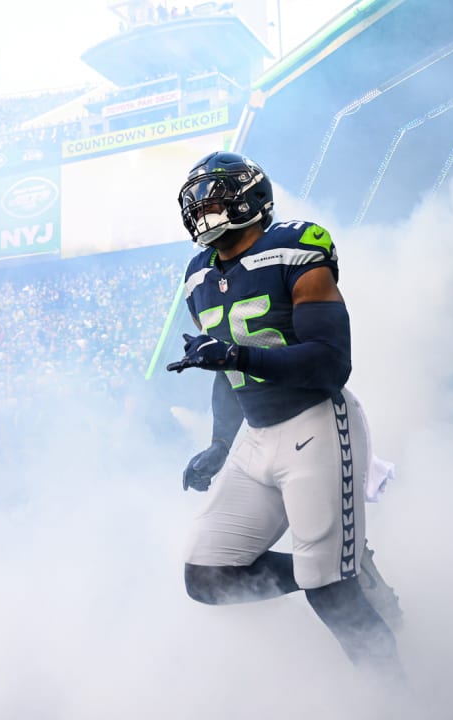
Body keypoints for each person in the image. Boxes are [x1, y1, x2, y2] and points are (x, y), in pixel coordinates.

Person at [166, 151, 403, 676]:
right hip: (257, 435)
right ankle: (345, 568)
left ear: (252, 197)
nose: (204, 210)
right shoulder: (197, 274)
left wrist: (235, 355)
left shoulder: (294, 247)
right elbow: (227, 373)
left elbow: (330, 363)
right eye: (197, 201)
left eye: (217, 197)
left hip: (316, 424)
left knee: (331, 598)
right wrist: (220, 443)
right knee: (208, 576)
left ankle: (402, 697)